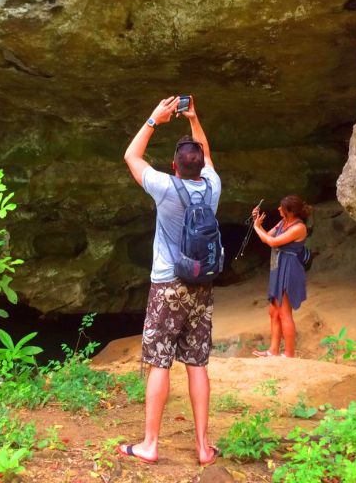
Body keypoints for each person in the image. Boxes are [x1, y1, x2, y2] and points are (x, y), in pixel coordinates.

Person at [118, 95, 222, 466]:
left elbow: (132, 157)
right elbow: (206, 154)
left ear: (175, 168)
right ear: (198, 167)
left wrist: (153, 119)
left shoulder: (165, 188)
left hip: (167, 284)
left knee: (159, 363)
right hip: (201, 285)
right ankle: (202, 447)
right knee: (197, 364)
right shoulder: (212, 187)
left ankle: (150, 444)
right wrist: (194, 118)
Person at [250, 195, 310, 358]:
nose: (278, 209)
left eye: (281, 207)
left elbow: (272, 242)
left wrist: (255, 227)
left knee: (284, 312)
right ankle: (273, 351)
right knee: (274, 311)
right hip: (279, 268)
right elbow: (267, 236)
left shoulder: (299, 227)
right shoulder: (283, 222)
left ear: (289, 211)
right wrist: (258, 223)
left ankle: (289, 354)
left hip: (289, 270)